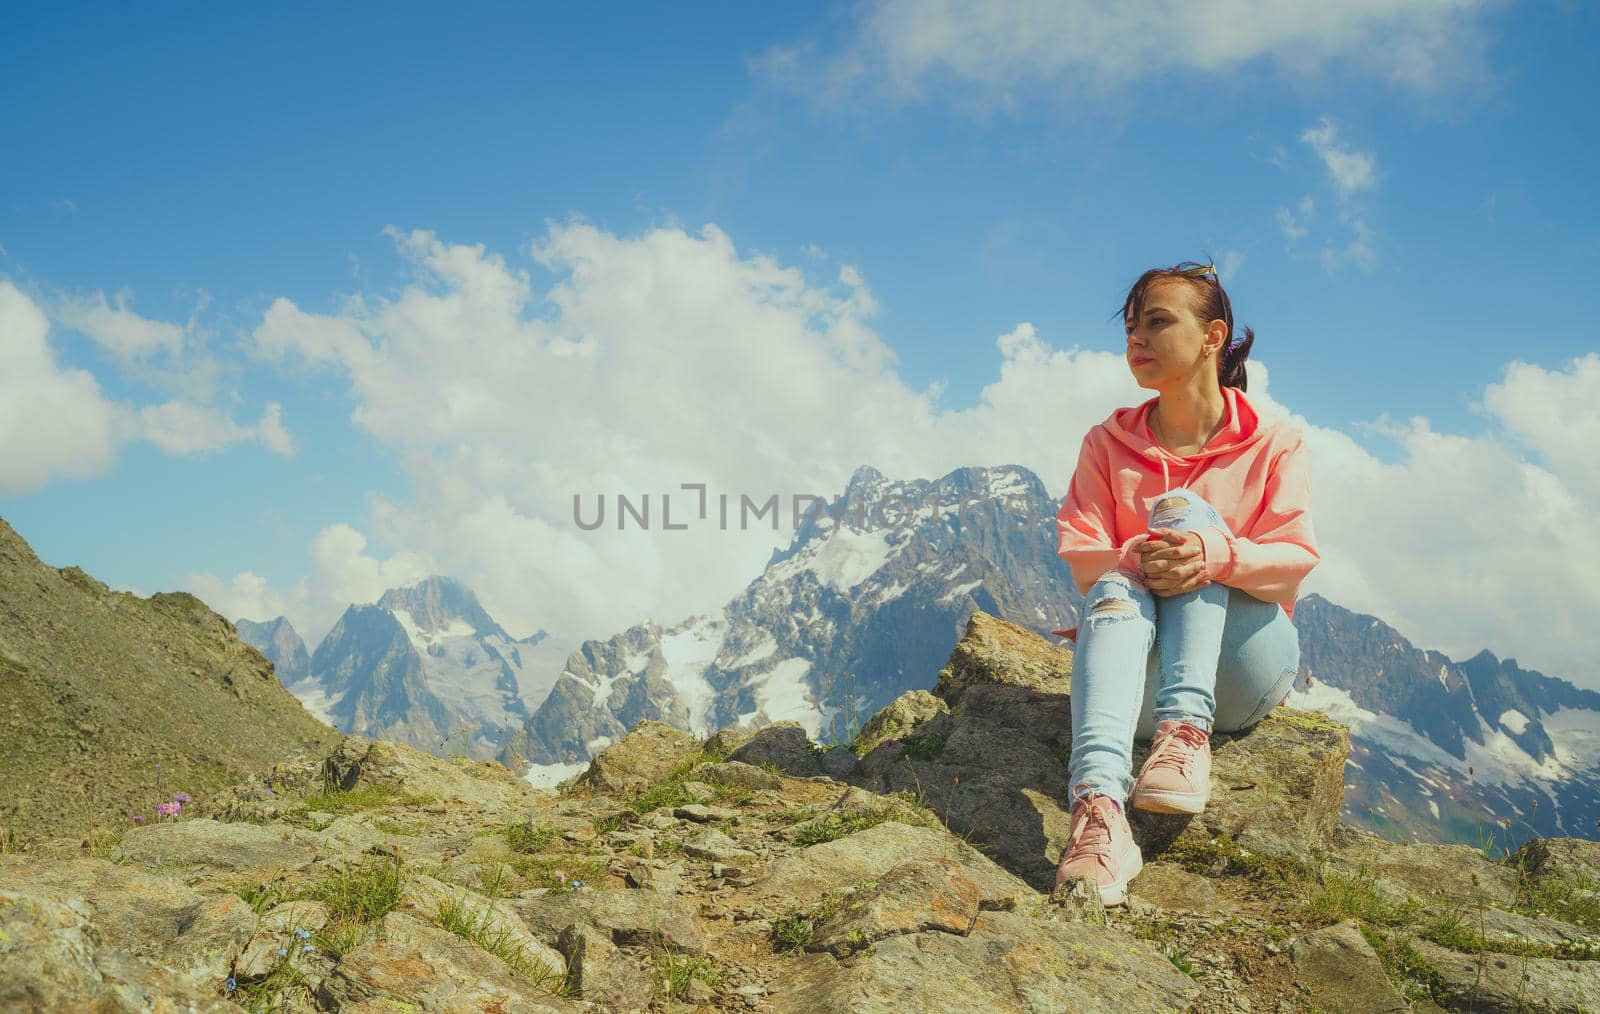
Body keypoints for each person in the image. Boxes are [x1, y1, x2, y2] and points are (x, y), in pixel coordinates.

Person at [1051, 260, 1320, 904]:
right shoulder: (1105, 443)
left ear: (1212, 335)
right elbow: (1086, 560)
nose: (1135, 340)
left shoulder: (1276, 442)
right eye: (1130, 327)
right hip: (1134, 683)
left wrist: (1210, 555)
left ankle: (1187, 734)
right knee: (1118, 583)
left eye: (1157, 322)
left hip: (1244, 664)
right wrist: (1143, 559)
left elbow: (1295, 557)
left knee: (1188, 519)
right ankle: (1099, 813)